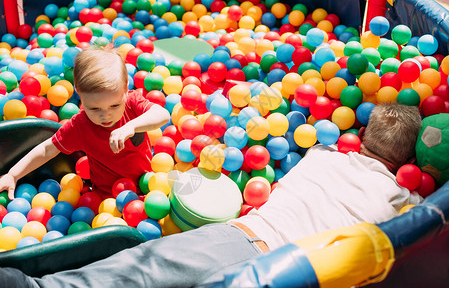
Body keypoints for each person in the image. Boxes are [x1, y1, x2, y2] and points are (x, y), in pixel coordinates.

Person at [0, 103, 423, 288]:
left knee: (119, 278)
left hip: (238, 237)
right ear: (408, 161)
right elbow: (422, 224)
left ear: (363, 134)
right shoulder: (403, 201)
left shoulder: (321, 155)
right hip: (300, 271)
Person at [0, 47, 170, 200]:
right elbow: (47, 149)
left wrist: (131, 126)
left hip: (150, 186)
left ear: (126, 89)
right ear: (79, 94)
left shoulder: (132, 103)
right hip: (107, 198)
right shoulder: (80, 126)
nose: (105, 115)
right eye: (94, 109)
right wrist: (13, 175)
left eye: (114, 105)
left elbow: (162, 114)